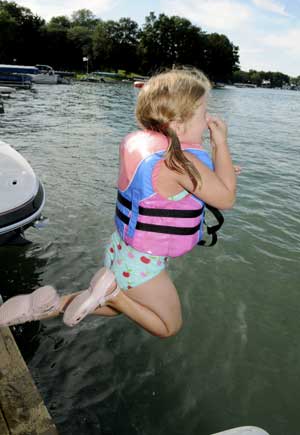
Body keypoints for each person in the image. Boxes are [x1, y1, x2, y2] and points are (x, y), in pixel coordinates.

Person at [0, 68, 237, 338]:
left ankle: (42, 306)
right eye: (204, 112)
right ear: (178, 124)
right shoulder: (181, 162)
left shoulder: (147, 147)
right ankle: (112, 292)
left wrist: (217, 168)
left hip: (122, 250)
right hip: (142, 263)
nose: (208, 120)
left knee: (117, 306)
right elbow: (227, 197)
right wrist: (220, 144)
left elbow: (173, 188)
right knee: (167, 326)